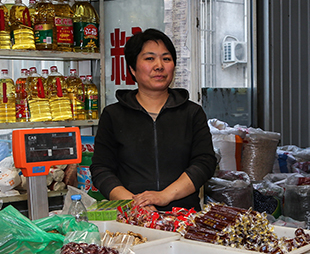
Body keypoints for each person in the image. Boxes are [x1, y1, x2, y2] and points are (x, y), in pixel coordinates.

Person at [91, 28, 217, 211]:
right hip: (131, 217)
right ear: (132, 68)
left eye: (166, 58)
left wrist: (164, 196)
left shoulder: (192, 113)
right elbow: (101, 170)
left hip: (183, 216)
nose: (159, 65)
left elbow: (204, 163)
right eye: (150, 58)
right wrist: (135, 204)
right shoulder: (113, 115)